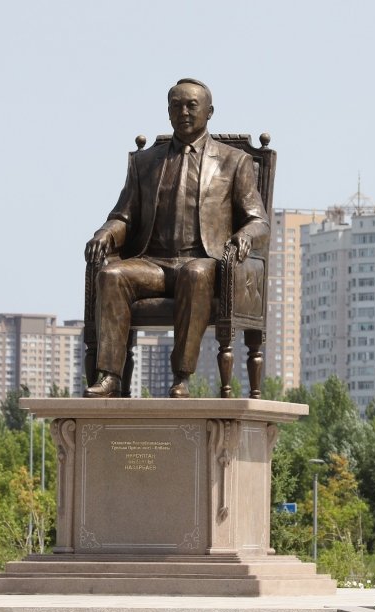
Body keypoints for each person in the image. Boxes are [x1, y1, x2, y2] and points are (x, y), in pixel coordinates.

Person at [84, 78, 269, 398]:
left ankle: (181, 375)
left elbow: (258, 220)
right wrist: (104, 234)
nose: (183, 111)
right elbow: (123, 216)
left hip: (205, 263)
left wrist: (244, 237)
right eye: (176, 105)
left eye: (191, 105)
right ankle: (110, 376)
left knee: (193, 273)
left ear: (209, 112)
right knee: (111, 274)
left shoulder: (233, 161)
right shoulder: (145, 162)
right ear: (168, 111)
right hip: (153, 263)